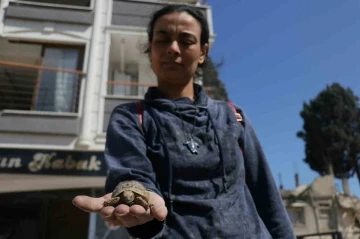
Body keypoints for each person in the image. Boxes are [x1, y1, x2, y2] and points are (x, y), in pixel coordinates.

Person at [72, 4, 296, 239]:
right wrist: (140, 198)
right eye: (162, 39)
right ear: (150, 49)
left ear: (202, 52)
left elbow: (266, 195)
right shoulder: (130, 117)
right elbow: (132, 175)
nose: (173, 49)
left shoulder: (233, 116)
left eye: (186, 40)